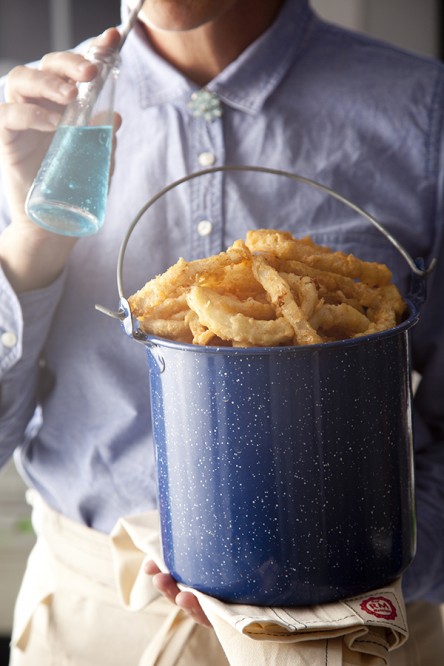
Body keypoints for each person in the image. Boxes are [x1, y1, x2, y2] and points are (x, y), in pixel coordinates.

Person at [0, 0, 443, 663]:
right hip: (92, 624)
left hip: (353, 630)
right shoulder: (23, 118)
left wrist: (361, 564)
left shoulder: (424, 111)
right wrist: (33, 235)